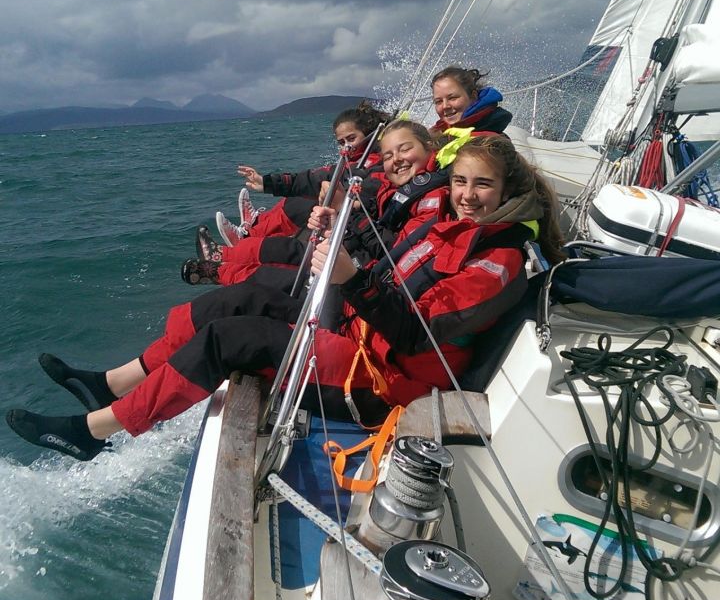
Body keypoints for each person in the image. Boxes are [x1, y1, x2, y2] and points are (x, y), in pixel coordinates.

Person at [5, 134, 564, 462]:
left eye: (482, 185)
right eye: (461, 182)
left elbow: (419, 332)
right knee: (236, 299)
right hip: (361, 333)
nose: (466, 195)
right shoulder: (454, 227)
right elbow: (391, 274)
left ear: (508, 192)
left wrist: (353, 278)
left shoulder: (501, 259)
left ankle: (93, 432)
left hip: (384, 383)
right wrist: (344, 254)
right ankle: (112, 383)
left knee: (232, 338)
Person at [183, 120, 448, 288]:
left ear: (428, 146)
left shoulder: (433, 199)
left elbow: (390, 250)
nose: (396, 159)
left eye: (405, 149)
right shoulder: (392, 178)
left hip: (363, 276)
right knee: (293, 239)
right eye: (389, 154)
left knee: (285, 267)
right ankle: (228, 253)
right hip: (358, 247)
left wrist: (347, 213)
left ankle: (221, 267)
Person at [215, 101, 390, 246]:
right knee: (301, 191)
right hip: (339, 216)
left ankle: (247, 237)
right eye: (341, 142)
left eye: (351, 139)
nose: (347, 146)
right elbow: (310, 178)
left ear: (370, 134)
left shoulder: (376, 165)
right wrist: (265, 182)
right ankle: (257, 223)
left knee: (301, 203)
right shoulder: (351, 163)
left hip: (352, 226)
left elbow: (368, 199)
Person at [429, 65, 513, 167]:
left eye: (452, 98)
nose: (445, 106)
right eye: (438, 101)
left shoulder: (491, 142)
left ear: (473, 96)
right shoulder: (438, 133)